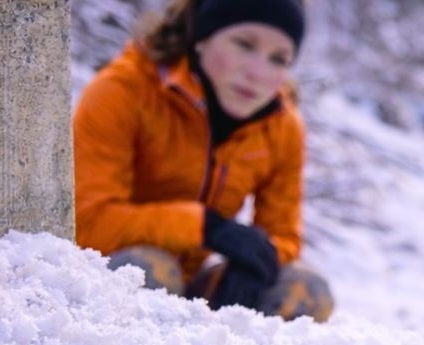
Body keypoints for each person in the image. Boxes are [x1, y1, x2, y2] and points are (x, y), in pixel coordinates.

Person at [74, 0, 333, 322]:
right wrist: (205, 228)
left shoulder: (283, 126)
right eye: (244, 44)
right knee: (147, 268)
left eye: (278, 59)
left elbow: (284, 237)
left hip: (195, 287)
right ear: (202, 35)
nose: (258, 73)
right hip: (101, 280)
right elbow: (87, 224)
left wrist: (253, 262)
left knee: (306, 291)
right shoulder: (122, 92)